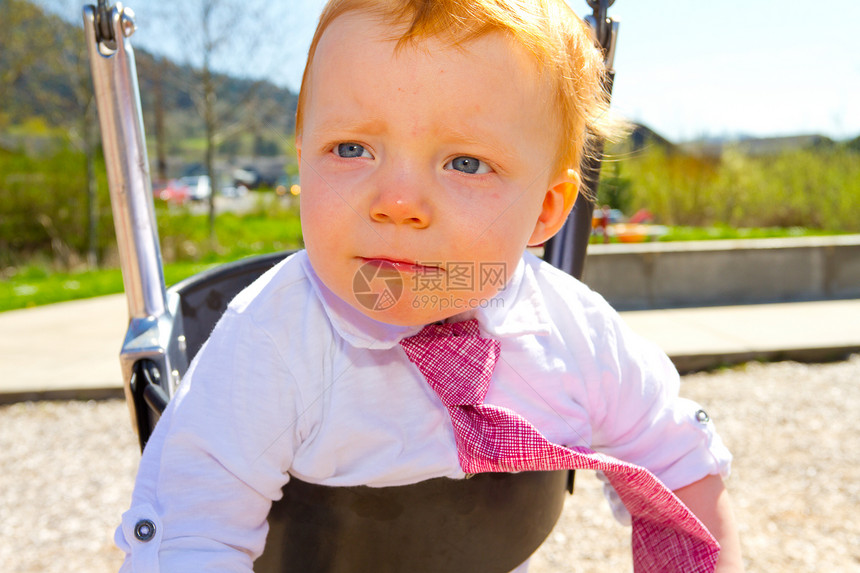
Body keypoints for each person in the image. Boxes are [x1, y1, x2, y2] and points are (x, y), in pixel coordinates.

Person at [116, 0, 744, 571]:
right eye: (352, 148)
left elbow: (676, 455)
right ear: (301, 157)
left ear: (548, 211)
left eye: (465, 163)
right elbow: (192, 532)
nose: (397, 202)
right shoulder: (270, 341)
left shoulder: (572, 332)